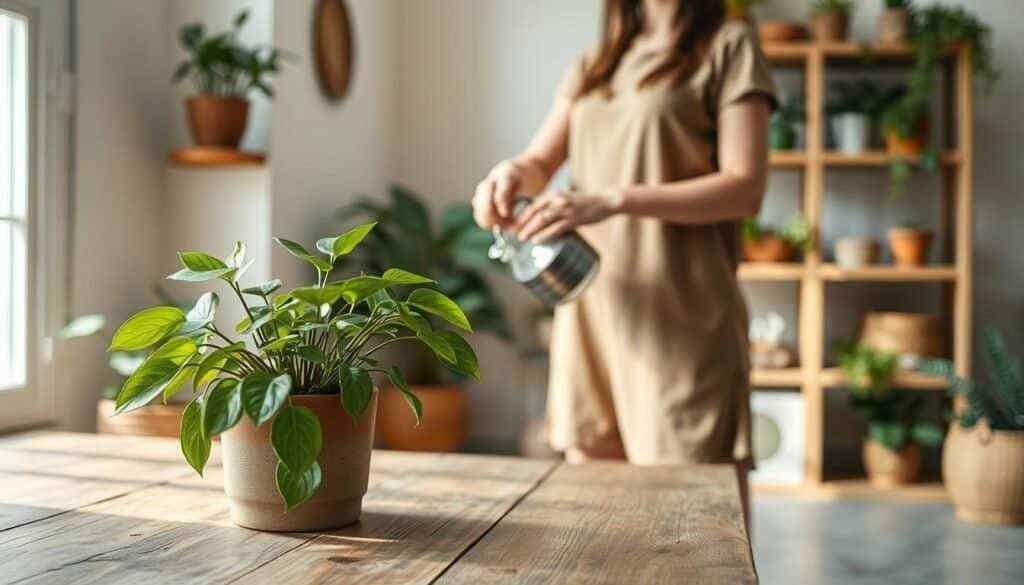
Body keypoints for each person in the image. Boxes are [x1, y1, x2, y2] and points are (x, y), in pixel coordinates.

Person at [472, 0, 775, 518]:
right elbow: (541, 160)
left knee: (694, 527)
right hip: (591, 313)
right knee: (596, 524)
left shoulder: (729, 47)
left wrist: (612, 199)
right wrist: (508, 177)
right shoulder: (596, 63)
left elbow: (744, 188)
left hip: (686, 321)